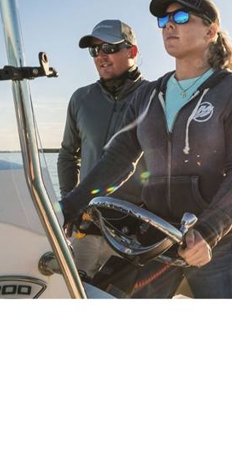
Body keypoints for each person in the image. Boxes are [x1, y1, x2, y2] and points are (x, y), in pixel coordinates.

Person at [61, 0, 232, 298]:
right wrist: (69, 206)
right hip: (156, 238)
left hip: (216, 246)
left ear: (210, 31)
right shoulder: (148, 95)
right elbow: (117, 161)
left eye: (181, 17)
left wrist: (207, 232)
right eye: (164, 19)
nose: (169, 25)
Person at [57, 19, 148, 279]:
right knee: (74, 292)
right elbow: (67, 155)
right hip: (86, 226)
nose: (101, 56)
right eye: (95, 50)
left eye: (109, 48)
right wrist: (70, 204)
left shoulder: (153, 96)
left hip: (134, 233)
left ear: (132, 51)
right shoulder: (80, 98)